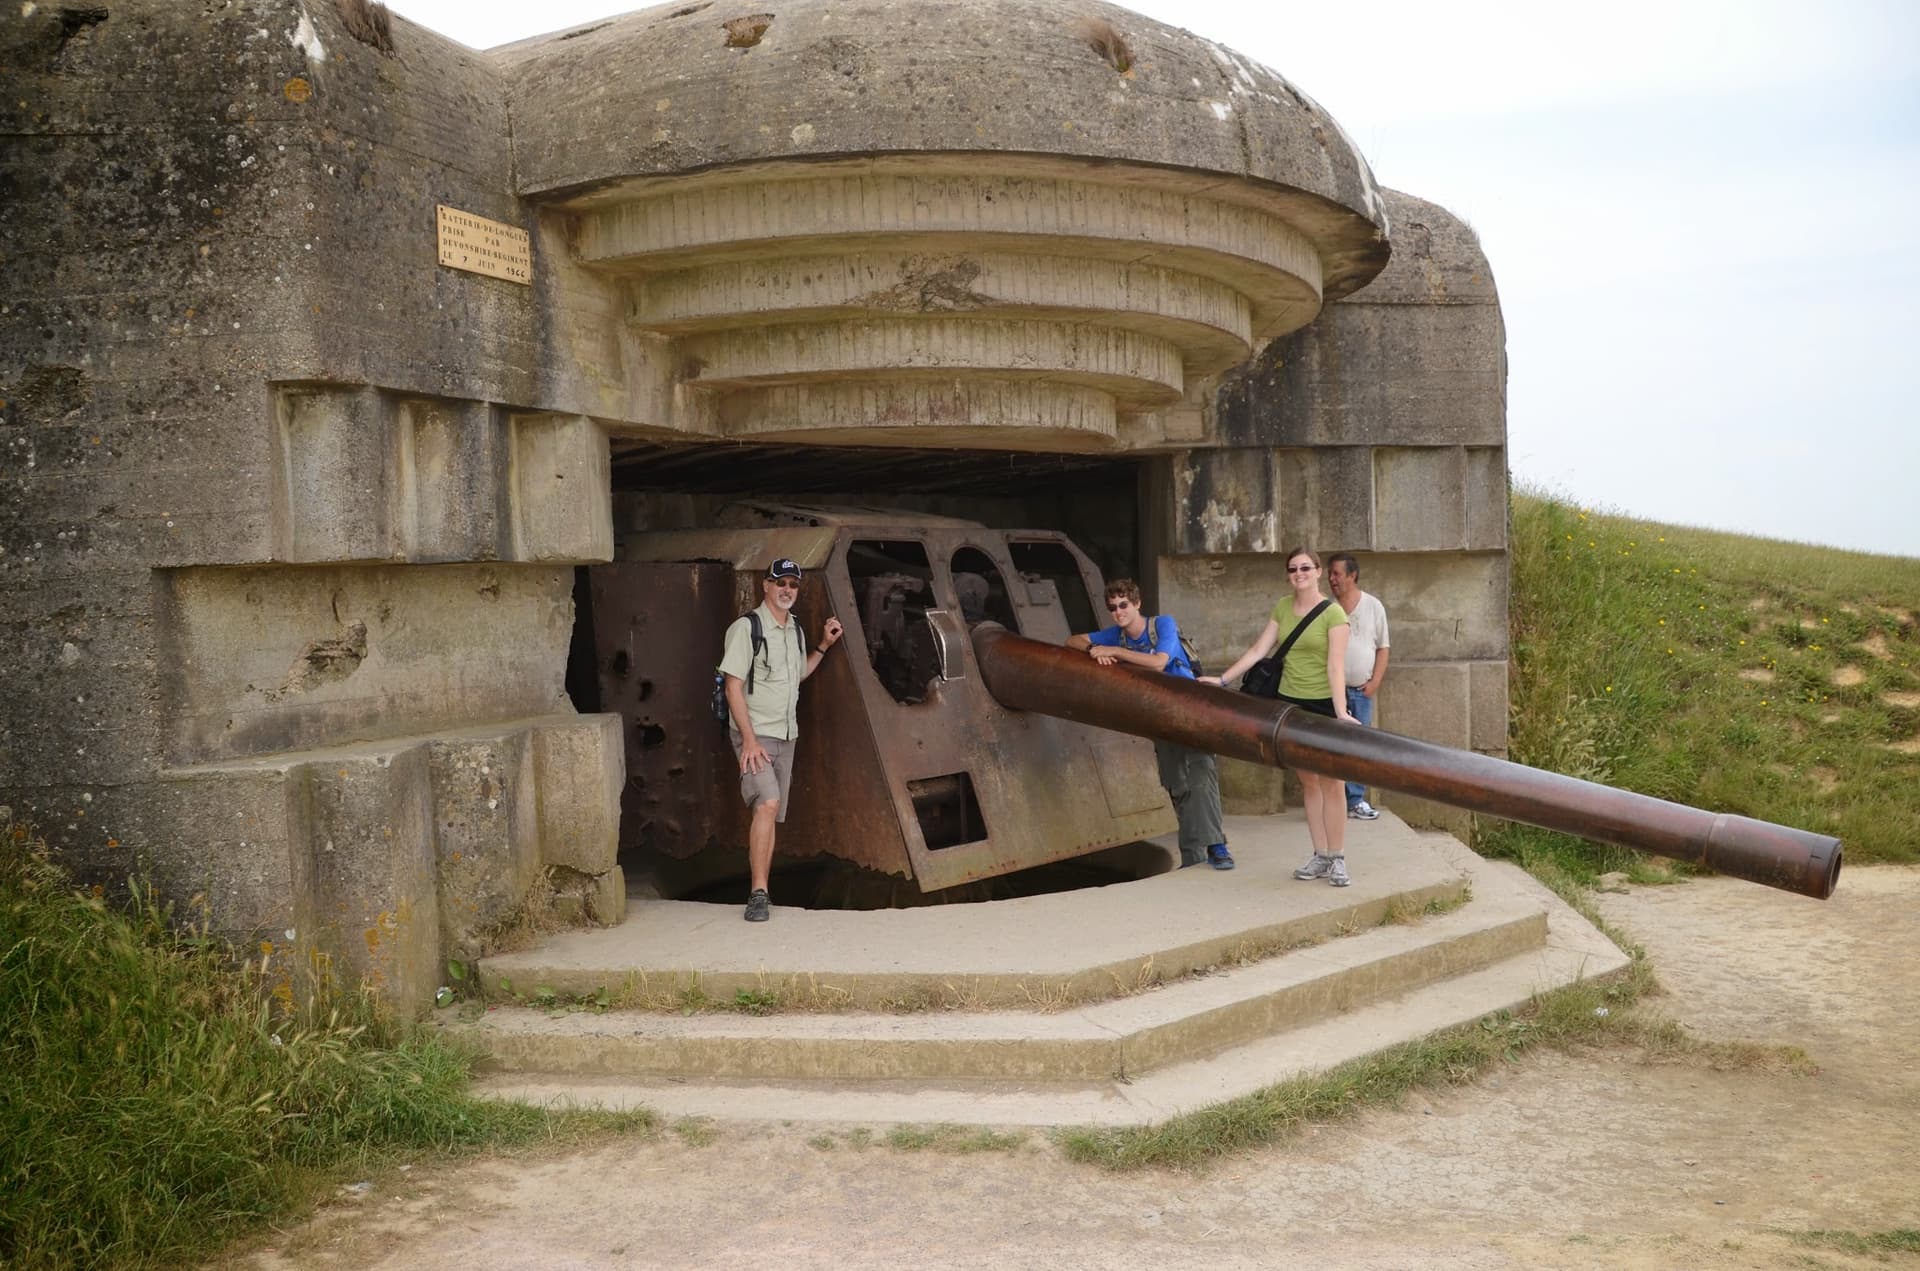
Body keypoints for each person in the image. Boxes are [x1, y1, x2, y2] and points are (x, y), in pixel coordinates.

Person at [1202, 548, 1357, 886]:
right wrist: (1223, 680)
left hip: (1323, 704)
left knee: (1332, 782)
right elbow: (1259, 650)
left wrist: (1341, 711)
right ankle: (1320, 854)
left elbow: (1335, 665)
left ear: (1318, 571)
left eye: (1305, 568)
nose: (1299, 574)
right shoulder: (1283, 607)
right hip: (1289, 704)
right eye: (1293, 569)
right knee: (1308, 782)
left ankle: (1337, 857)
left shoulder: (1333, 614)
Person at [1066, 578, 1232, 871]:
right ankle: (1192, 855)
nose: (1119, 612)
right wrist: (1093, 648)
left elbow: (1159, 662)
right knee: (1176, 782)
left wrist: (1114, 652)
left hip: (1189, 707)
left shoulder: (1162, 624)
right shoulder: (1115, 635)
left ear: (1137, 603)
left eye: (1124, 605)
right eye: (1113, 608)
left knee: (1202, 773)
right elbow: (1072, 640)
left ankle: (1216, 845)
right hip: (1157, 716)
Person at [720, 557, 844, 922]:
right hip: (756, 735)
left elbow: (796, 675)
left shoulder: (795, 629)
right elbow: (732, 687)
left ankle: (762, 890)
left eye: (793, 584)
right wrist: (749, 740)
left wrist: (823, 645)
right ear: (766, 586)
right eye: (780, 583)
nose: (787, 589)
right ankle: (758, 894)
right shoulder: (747, 628)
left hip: (787, 734)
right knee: (768, 804)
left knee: (769, 811)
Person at [1327, 552, 1390, 820]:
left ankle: (1355, 800)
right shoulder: (1328, 609)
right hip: (1332, 692)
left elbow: (1383, 647)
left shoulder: (1373, 606)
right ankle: (1332, 801)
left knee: (1358, 747)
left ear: (1352, 575)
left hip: (1361, 690)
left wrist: (1375, 681)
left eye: (1337, 574)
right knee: (1331, 746)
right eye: (1330, 574)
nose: (1332, 579)